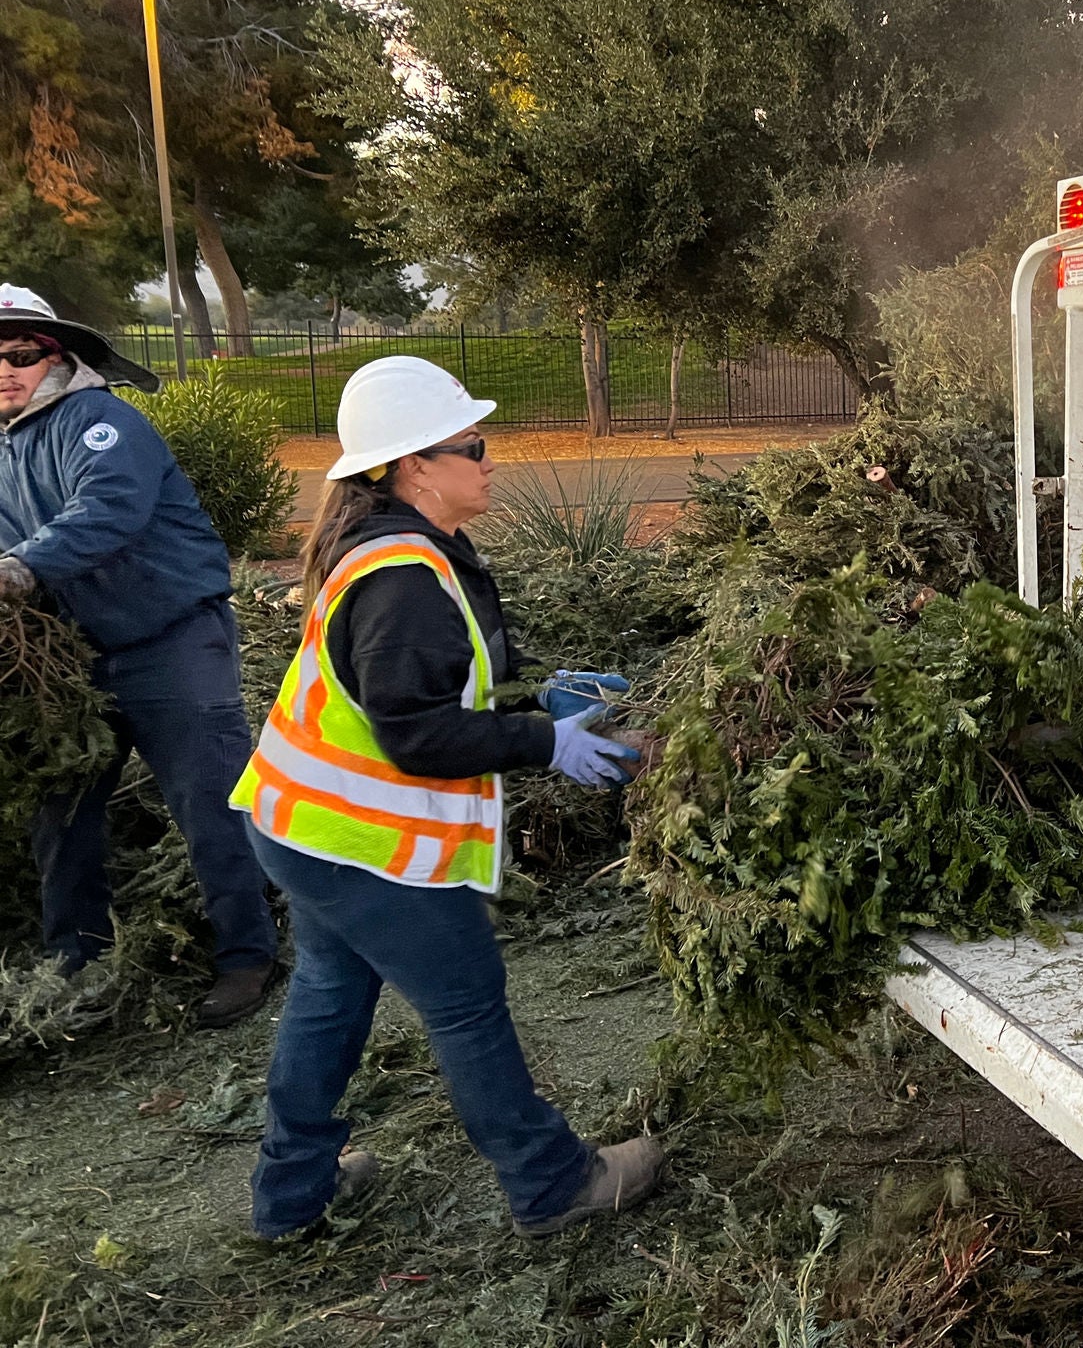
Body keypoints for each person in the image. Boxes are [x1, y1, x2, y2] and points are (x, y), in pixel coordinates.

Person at [230, 354, 661, 1240]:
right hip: (358, 848)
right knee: (465, 1001)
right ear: (415, 466)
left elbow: (434, 684)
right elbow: (416, 732)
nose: (491, 460)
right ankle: (551, 1184)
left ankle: (290, 1194)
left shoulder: (405, 548)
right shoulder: (401, 579)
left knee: (328, 994)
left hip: (297, 826)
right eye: (476, 445)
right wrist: (548, 743)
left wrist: (538, 697)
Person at [0, 284, 277, 1026]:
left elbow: (107, 508)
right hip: (76, 659)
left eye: (20, 354)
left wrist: (19, 569)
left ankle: (248, 957)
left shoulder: (98, 421)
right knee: (59, 814)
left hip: (170, 639)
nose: (5, 370)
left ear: (55, 358)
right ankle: (76, 973)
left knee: (210, 804)